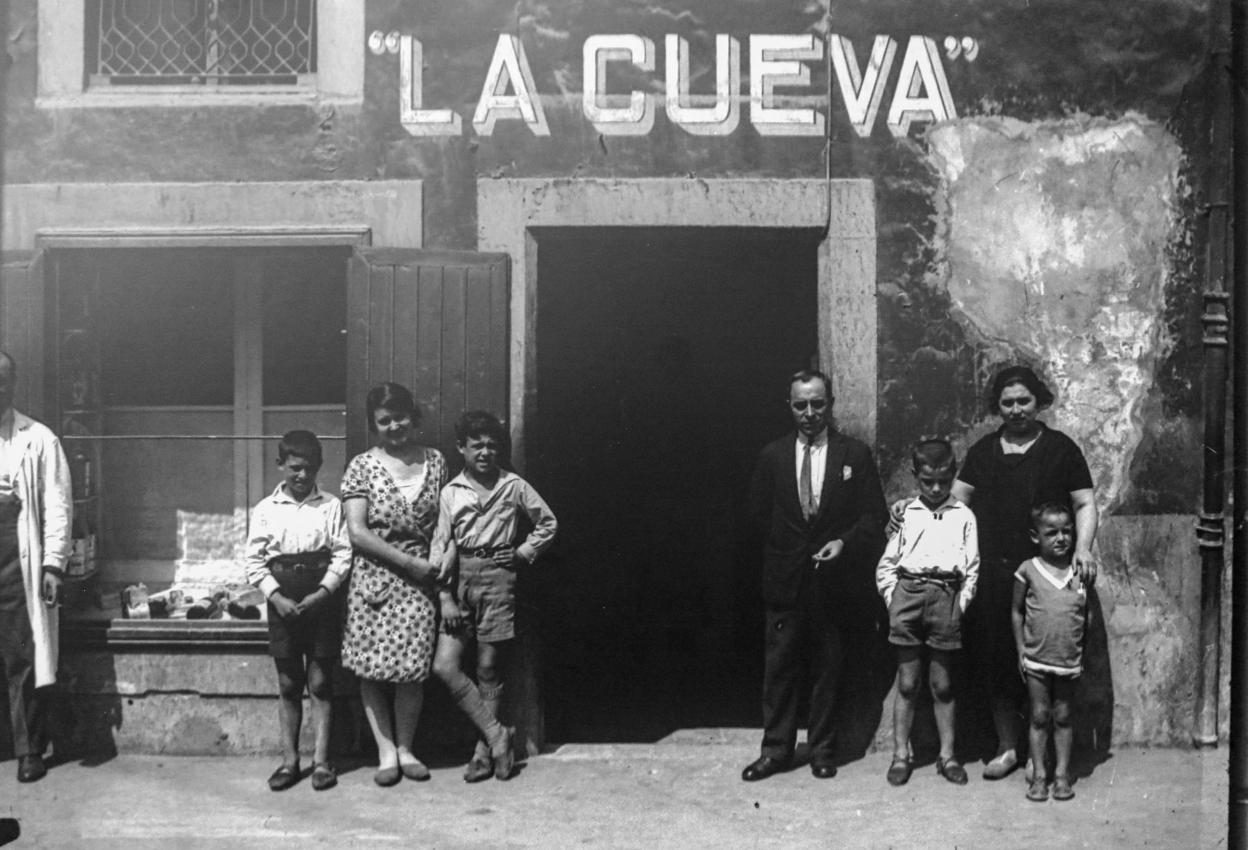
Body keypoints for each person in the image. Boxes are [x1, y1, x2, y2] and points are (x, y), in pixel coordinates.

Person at [741, 369, 887, 782]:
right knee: (780, 670)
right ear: (789, 407)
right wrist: (783, 552)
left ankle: (823, 750)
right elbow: (756, 515)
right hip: (785, 581)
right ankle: (776, 751)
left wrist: (843, 543)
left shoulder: (853, 454)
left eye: (817, 404)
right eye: (801, 405)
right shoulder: (773, 455)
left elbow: (873, 515)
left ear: (831, 405)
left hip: (834, 582)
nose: (809, 413)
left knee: (828, 668)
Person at [953, 365, 1097, 780]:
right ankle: (1007, 747)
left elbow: (1085, 503)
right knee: (999, 662)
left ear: (1039, 402)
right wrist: (910, 512)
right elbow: (955, 503)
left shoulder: (1061, 449)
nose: (1016, 409)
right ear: (997, 406)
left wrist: (1083, 549)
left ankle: (1042, 755)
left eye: (1024, 401)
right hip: (996, 576)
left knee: (1045, 668)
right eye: (1007, 402)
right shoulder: (983, 452)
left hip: (1049, 576)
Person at [431, 410, 558, 782]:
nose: (485, 452)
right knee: (445, 666)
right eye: (477, 446)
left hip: (499, 579)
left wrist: (521, 553)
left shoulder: (513, 485)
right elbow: (440, 544)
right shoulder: (451, 492)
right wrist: (445, 597)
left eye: (491, 445)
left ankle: (482, 752)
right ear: (462, 448)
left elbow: (548, 523)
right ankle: (497, 732)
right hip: (460, 577)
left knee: (488, 667)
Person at [340, 383, 447, 787]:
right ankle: (385, 753)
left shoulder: (435, 461)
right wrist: (407, 563)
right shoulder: (362, 466)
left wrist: (434, 564)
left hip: (422, 582)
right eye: (384, 421)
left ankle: (406, 749)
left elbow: (445, 523)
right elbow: (357, 532)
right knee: (371, 671)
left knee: (412, 670)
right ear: (374, 426)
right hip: (375, 582)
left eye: (400, 417)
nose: (394, 426)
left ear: (412, 417)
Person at [244, 430, 351, 792]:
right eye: (294, 468)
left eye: (309, 468)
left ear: (318, 467)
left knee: (320, 681)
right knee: (289, 682)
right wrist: (275, 597)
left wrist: (324, 591)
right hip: (283, 601)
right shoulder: (265, 509)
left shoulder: (331, 506)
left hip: (321, 600)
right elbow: (253, 561)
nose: (302, 475)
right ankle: (290, 761)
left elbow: (343, 554)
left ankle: (321, 761)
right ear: (281, 465)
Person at [876, 438, 978, 786]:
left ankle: (947, 755)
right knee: (907, 683)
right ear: (915, 475)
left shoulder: (963, 516)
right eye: (927, 481)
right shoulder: (906, 513)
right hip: (908, 595)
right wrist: (894, 600)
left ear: (954, 475)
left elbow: (972, 568)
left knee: (942, 684)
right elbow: (887, 564)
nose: (936, 489)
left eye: (943, 481)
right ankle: (900, 754)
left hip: (946, 598)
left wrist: (958, 605)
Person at [0, 351, 72, 783]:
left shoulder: (39, 438)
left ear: (13, 384)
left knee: (21, 655)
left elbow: (58, 505)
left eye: (2, 379)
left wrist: (53, 565)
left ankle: (29, 750)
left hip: (15, 554)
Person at [1012, 502, 1088, 802]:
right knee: (1040, 715)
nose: (1061, 538)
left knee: (1064, 715)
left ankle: (1061, 776)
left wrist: (1082, 653)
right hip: (1036, 659)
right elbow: (1016, 612)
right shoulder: (1028, 570)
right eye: (1052, 532)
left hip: (1068, 661)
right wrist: (1021, 650)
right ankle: (1039, 777)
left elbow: (1087, 618)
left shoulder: (1080, 572)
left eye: (1066, 531)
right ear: (1036, 536)